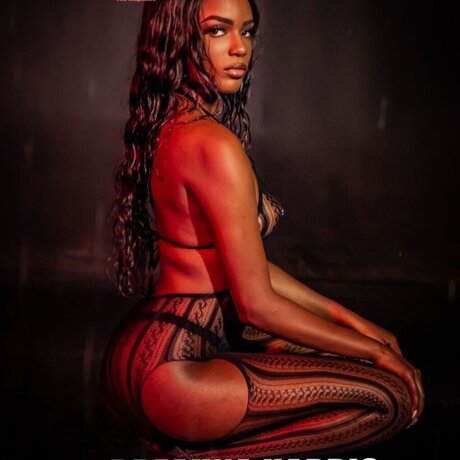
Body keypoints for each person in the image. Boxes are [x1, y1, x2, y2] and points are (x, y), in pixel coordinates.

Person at [100, 0, 424, 458]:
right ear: (178, 38)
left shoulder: (171, 125)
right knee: (390, 397)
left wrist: (356, 324)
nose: (239, 48)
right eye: (217, 31)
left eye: (247, 31)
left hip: (140, 355)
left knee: (351, 354)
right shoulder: (212, 144)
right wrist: (373, 351)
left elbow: (249, 270)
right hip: (175, 373)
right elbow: (256, 304)